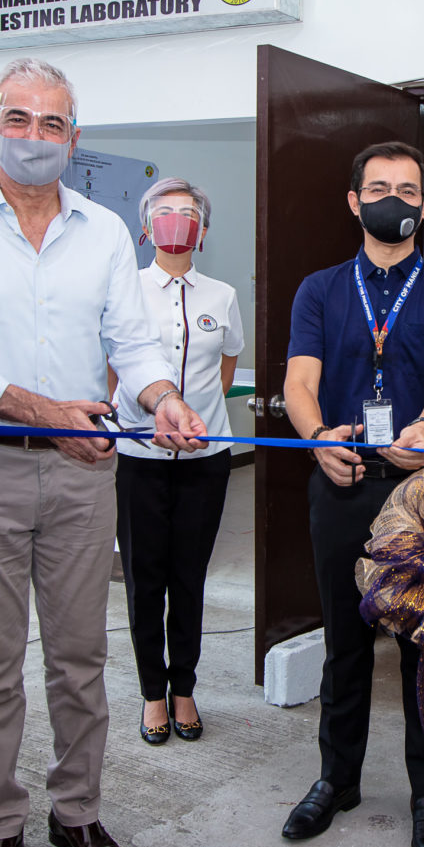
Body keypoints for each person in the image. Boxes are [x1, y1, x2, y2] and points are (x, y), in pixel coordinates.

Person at [0, 57, 209, 847]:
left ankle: (78, 812)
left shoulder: (106, 231)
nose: (36, 137)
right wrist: (45, 410)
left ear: (75, 138)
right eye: (20, 120)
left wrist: (165, 397)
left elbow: (134, 341)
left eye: (53, 124)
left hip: (82, 476)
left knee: (80, 659)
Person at [280, 140, 424, 847]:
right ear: (355, 202)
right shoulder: (320, 289)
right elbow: (301, 381)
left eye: (409, 187)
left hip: (422, 489)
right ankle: (338, 777)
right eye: (379, 187)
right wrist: (315, 436)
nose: (395, 197)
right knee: (345, 641)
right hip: (343, 478)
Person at [113, 177, 242, 747]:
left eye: (187, 212)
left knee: (189, 577)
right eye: (163, 212)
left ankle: (184, 687)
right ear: (146, 227)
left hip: (205, 457)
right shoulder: (124, 290)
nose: (175, 220)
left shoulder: (222, 295)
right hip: (139, 454)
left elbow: (227, 364)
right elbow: (115, 369)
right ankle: (150, 695)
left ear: (203, 230)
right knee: (146, 579)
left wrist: (200, 416)